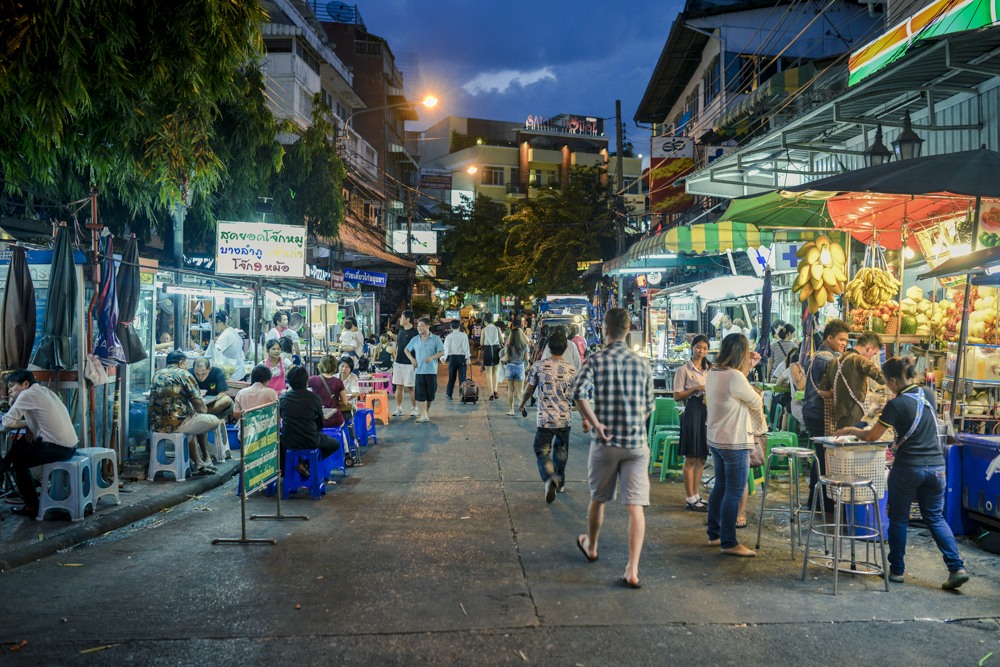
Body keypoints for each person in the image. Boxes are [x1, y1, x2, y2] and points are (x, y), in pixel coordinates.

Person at [834, 356, 970, 590]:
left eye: (887, 382)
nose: (887, 386)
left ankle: (896, 571)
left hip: (908, 468)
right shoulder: (926, 394)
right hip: (937, 468)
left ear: (894, 380)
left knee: (898, 518)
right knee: (935, 518)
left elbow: (871, 436)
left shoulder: (895, 405)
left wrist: (849, 429)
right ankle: (956, 568)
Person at [571, 308, 654, 589]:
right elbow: (649, 407)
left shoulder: (596, 359)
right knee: (635, 506)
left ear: (604, 330)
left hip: (605, 443)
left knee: (598, 498)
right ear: (628, 330)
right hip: (635, 444)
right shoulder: (643, 364)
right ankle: (632, 569)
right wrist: (633, 423)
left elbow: (578, 393)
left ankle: (592, 546)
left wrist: (595, 423)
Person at [705, 333, 765, 557]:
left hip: (717, 438)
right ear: (741, 353)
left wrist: (747, 368)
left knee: (720, 487)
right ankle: (729, 542)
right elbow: (756, 401)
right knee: (734, 490)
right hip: (734, 441)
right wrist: (746, 371)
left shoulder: (714, 371)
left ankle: (715, 534)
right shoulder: (734, 376)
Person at [0, 370, 79, 517]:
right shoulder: (44, 391)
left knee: (19, 463)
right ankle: (3, 467)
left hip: (56, 448)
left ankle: (32, 506)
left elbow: (7, 422)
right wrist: (28, 425)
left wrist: (12, 403)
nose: (10, 390)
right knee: (20, 445)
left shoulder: (27, 394)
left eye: (12, 386)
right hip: (70, 447)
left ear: (25, 384)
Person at [519, 329, 577, 503]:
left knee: (541, 450)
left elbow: (529, 390)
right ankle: (559, 482)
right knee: (561, 450)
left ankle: (549, 476)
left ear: (549, 348)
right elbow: (578, 396)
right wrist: (586, 418)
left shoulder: (538, 366)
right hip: (564, 419)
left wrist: (522, 403)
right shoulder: (571, 370)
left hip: (544, 418)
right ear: (565, 347)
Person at [802, 319, 850, 508]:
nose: (844, 343)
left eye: (846, 340)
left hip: (813, 411)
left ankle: (818, 500)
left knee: (821, 456)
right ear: (829, 338)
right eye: (841, 339)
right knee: (823, 457)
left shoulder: (822, 355)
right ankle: (821, 501)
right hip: (819, 413)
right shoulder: (826, 358)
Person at [149, 350, 221, 476]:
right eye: (186, 363)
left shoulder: (157, 374)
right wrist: (202, 412)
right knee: (212, 420)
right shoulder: (184, 374)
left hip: (157, 425)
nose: (187, 366)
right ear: (181, 362)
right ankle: (202, 460)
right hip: (178, 423)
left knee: (190, 427)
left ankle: (199, 463)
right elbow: (199, 404)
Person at [279, 366, 341, 478]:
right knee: (335, 444)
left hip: (289, 442)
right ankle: (305, 464)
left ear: (289, 382)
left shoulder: (283, 398)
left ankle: (292, 471)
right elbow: (320, 423)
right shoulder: (314, 398)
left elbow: (280, 418)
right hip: (310, 439)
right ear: (306, 381)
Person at [818, 332, 885, 431]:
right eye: (873, 354)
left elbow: (822, 389)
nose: (871, 357)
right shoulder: (860, 360)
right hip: (857, 420)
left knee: (844, 445)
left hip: (841, 418)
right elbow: (882, 378)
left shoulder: (835, 361)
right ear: (869, 348)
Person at [673, 334, 711, 512]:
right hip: (692, 410)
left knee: (702, 456)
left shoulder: (710, 369)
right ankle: (690, 498)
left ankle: (697, 496)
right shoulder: (683, 370)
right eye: (698, 347)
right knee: (691, 456)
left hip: (707, 412)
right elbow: (677, 396)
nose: (701, 351)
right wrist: (696, 388)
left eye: (704, 348)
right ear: (692, 347)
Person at [405, 317, 445, 423]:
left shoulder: (436, 339)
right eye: (418, 326)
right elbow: (406, 350)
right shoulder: (415, 339)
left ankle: (425, 412)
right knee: (421, 394)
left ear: (428, 326)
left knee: (430, 394)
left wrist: (432, 358)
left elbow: (442, 352)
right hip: (419, 371)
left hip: (431, 371)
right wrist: (412, 359)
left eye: (421, 326)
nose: (419, 328)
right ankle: (423, 415)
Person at [233, 365, 280, 437]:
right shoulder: (271, 393)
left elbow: (236, 414)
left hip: (245, 437)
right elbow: (277, 413)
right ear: (267, 380)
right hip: (266, 436)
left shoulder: (241, 393)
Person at [307, 355, 349, 428]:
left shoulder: (312, 379)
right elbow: (345, 402)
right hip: (335, 419)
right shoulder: (338, 382)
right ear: (335, 366)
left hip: (318, 419)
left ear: (320, 365)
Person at [392, 310, 419, 418]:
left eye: (402, 318)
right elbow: (399, 346)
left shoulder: (415, 333)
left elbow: (417, 349)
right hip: (398, 362)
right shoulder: (401, 331)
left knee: (411, 387)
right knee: (399, 386)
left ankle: (414, 408)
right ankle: (399, 408)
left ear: (408, 319)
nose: (400, 320)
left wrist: (414, 360)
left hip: (409, 363)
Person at [211, 311, 246, 381]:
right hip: (240, 371)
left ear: (219, 322)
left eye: (212, 324)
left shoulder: (225, 336)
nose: (212, 327)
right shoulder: (231, 331)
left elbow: (215, 352)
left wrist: (202, 353)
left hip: (233, 374)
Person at [443, 320, 471, 400]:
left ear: (451, 327)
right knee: (462, 377)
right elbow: (466, 347)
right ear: (459, 326)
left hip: (452, 358)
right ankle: (463, 395)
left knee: (452, 377)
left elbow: (446, 348)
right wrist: (468, 357)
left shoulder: (449, 336)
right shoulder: (464, 335)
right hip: (461, 358)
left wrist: (444, 358)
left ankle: (449, 394)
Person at [481, 313, 502, 400]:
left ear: (485, 321)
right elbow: (502, 340)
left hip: (488, 350)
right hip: (496, 350)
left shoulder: (484, 330)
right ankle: (496, 390)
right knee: (495, 372)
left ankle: (491, 394)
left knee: (488, 373)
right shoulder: (497, 328)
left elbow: (481, 343)